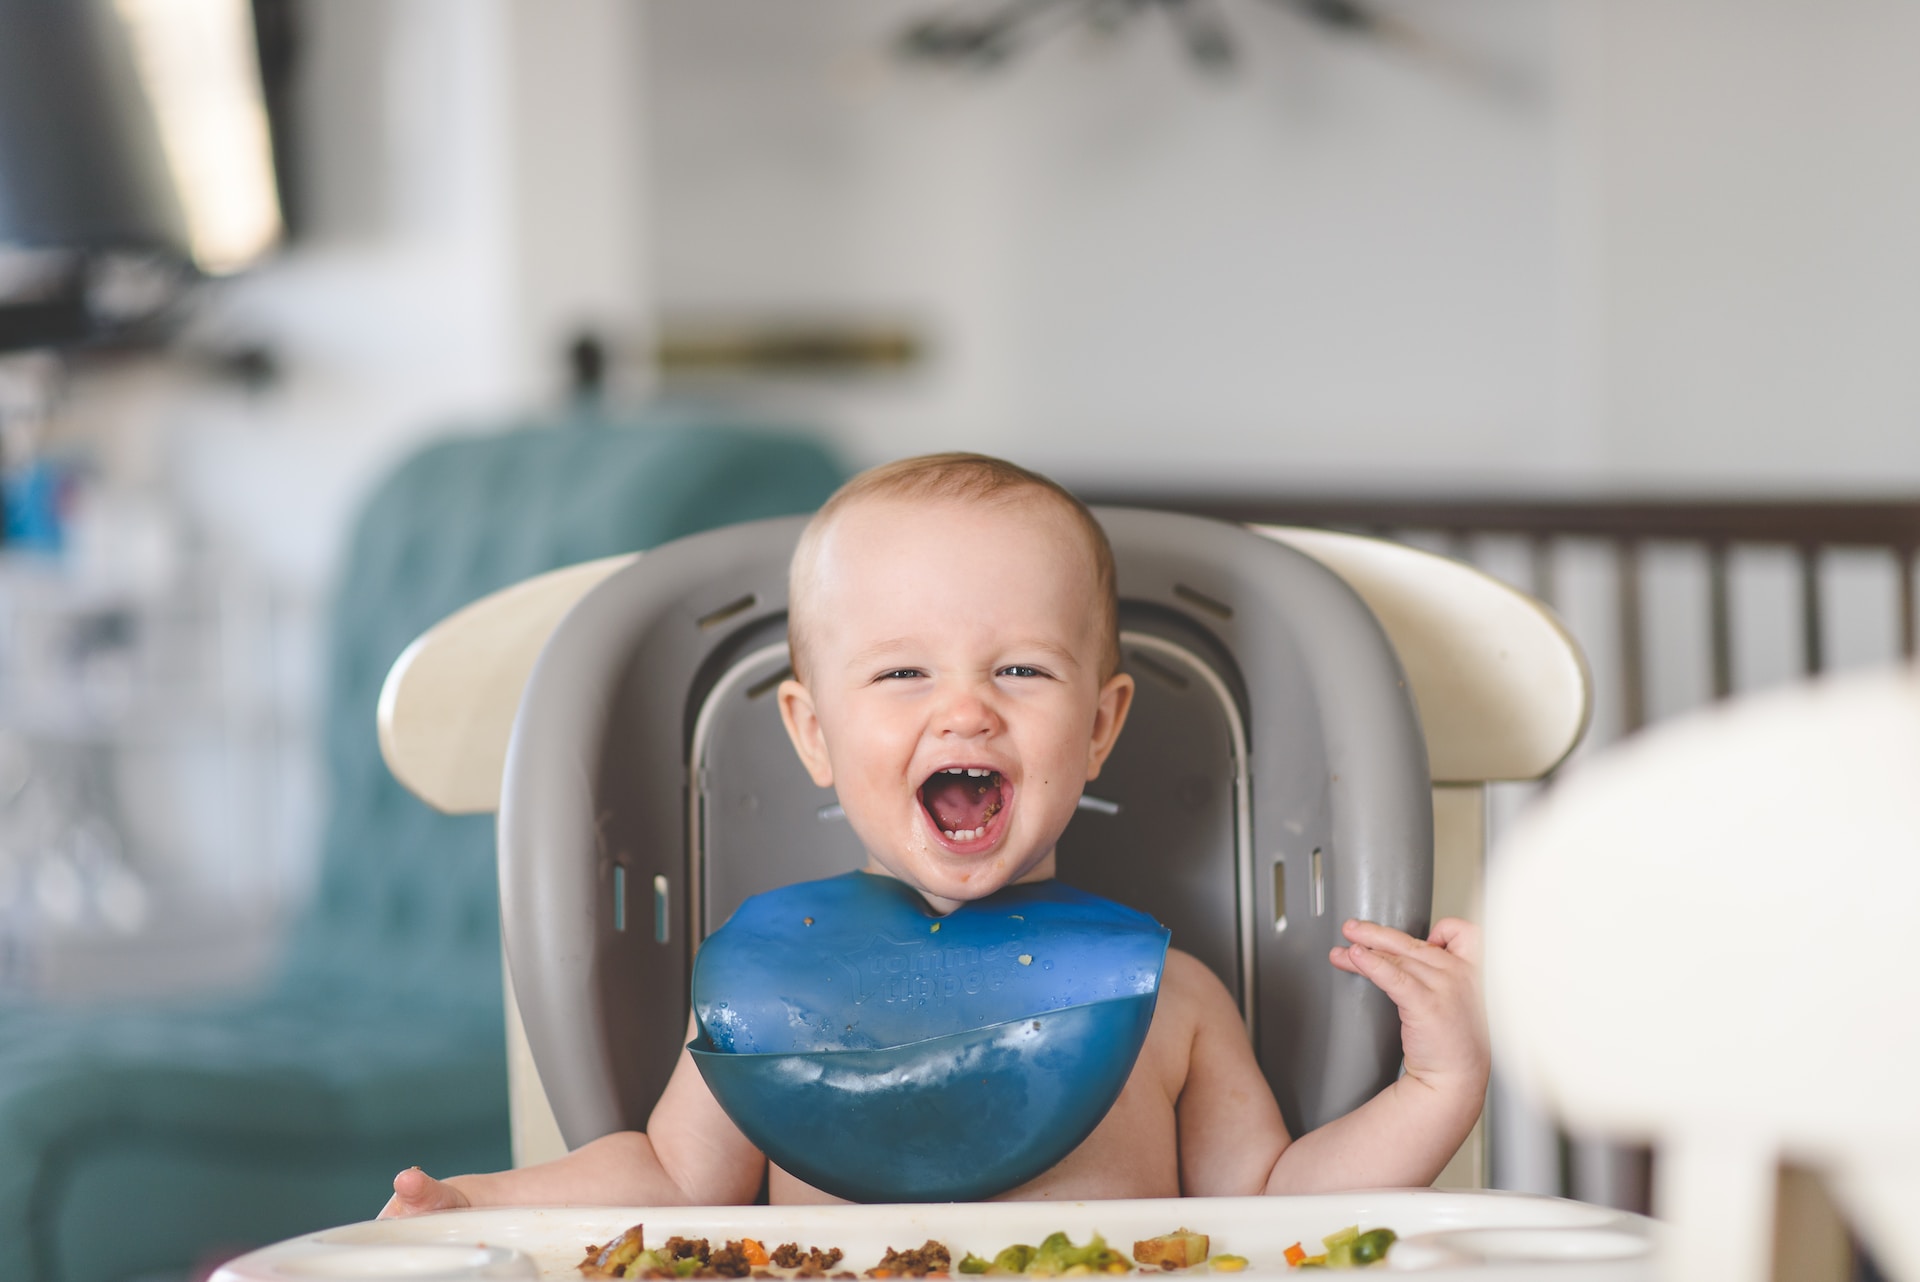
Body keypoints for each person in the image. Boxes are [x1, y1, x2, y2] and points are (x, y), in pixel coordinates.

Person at [381, 452, 1487, 1215]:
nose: (965, 709)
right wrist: (481, 1199)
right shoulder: (769, 993)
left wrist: (1435, 1089)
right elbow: (672, 1181)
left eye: (1020, 669)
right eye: (903, 672)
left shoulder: (1170, 999)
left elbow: (1271, 1206)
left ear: (1101, 726)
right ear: (813, 734)